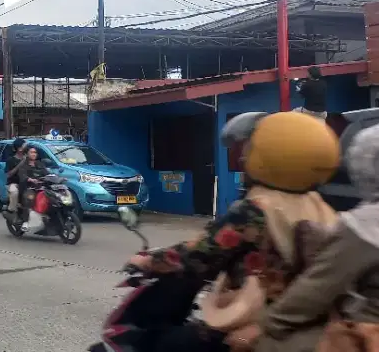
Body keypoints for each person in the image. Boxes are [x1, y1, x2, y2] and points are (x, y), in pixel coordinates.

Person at [126, 111, 341, 352]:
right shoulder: (322, 207)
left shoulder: (255, 210)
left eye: (250, 148)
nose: (244, 157)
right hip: (306, 323)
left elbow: (199, 255)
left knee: (160, 344)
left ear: (272, 156)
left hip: (259, 322)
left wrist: (147, 262)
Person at [249, 124, 379, 352]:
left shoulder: (366, 223)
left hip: (367, 326)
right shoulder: (320, 205)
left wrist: (267, 325)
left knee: (264, 344)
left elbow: (315, 290)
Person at [4, 138, 27, 222]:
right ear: (19, 148)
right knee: (14, 192)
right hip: (14, 183)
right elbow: (9, 174)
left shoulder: (29, 158)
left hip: (27, 183)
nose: (26, 147)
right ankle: (11, 212)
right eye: (24, 145)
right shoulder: (11, 160)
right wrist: (20, 164)